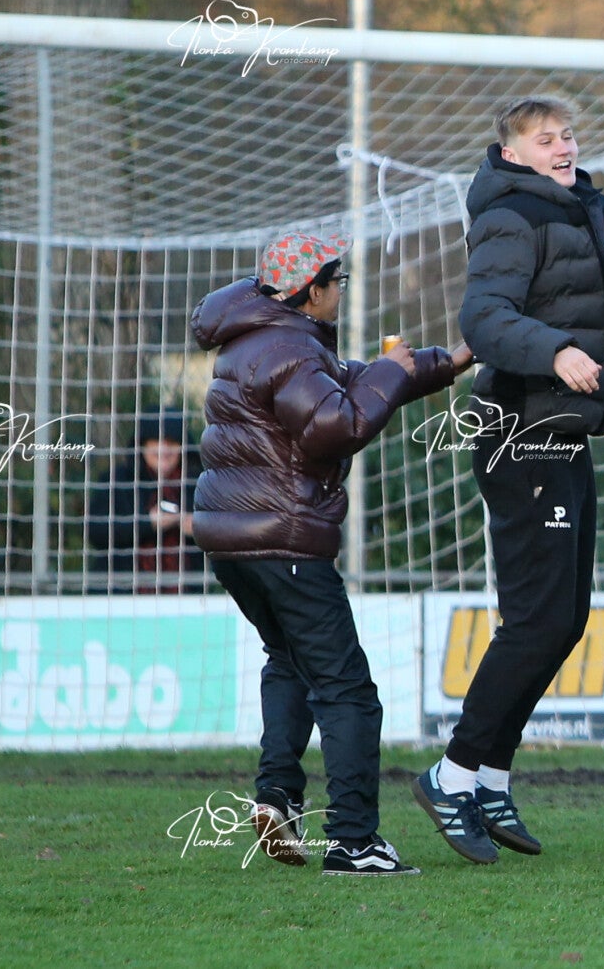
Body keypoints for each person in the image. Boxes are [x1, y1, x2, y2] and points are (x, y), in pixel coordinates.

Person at [416, 95, 604, 867]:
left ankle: (490, 778)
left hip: (564, 432)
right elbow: (483, 318)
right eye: (545, 138)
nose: (563, 146)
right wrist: (556, 350)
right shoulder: (509, 214)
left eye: (568, 134)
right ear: (513, 154)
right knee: (536, 621)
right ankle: (450, 776)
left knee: (564, 621)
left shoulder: (587, 210)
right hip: (519, 433)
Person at [192, 232, 468, 877]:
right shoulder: (290, 348)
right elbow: (336, 426)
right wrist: (393, 372)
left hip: (232, 540)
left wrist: (446, 361)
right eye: (336, 282)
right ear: (310, 290)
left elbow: (349, 383)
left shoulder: (259, 336)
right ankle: (353, 842)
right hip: (284, 540)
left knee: (288, 662)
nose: (341, 292)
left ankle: (277, 797)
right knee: (348, 692)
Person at [85, 409, 204, 593]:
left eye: (171, 442)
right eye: (156, 441)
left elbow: (228, 534)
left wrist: (199, 528)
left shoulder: (201, 484)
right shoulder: (117, 480)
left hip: (188, 597)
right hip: (120, 595)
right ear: (142, 445)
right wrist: (148, 523)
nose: (163, 449)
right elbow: (95, 531)